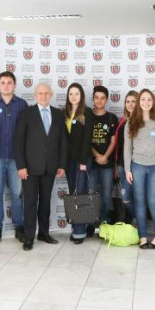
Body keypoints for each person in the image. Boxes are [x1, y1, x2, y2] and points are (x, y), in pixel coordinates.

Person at [15, 83, 67, 251]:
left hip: (50, 167)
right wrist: (21, 166)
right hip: (29, 168)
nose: (43, 96)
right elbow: (18, 143)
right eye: (40, 93)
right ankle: (29, 237)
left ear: (51, 95)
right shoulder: (26, 114)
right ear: (35, 95)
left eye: (46, 93)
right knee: (30, 202)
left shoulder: (59, 115)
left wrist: (62, 164)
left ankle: (44, 233)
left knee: (45, 202)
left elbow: (63, 142)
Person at [0, 71, 28, 244]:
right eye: (3, 82)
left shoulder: (22, 104)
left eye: (10, 82)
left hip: (17, 158)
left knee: (17, 194)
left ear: (15, 85)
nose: (6, 85)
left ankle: (19, 227)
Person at [124, 88, 155, 248]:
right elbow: (127, 148)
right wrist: (127, 170)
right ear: (138, 102)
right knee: (140, 202)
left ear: (153, 102)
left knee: (154, 201)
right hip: (137, 167)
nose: (146, 102)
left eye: (149, 99)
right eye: (143, 99)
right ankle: (142, 236)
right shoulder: (131, 122)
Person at [64, 83, 95, 244]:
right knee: (73, 194)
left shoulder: (87, 112)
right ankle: (76, 226)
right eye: (71, 94)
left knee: (81, 194)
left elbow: (87, 138)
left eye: (77, 94)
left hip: (82, 161)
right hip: (69, 161)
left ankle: (80, 232)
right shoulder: (65, 113)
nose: (74, 96)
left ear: (81, 96)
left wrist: (83, 162)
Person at [89, 85, 119, 226]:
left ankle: (105, 224)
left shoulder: (112, 117)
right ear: (93, 99)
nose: (99, 101)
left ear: (106, 100)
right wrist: (97, 156)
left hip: (107, 164)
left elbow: (113, 141)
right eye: (96, 98)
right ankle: (92, 224)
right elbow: (85, 140)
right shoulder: (87, 116)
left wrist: (104, 156)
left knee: (107, 196)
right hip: (91, 163)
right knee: (92, 194)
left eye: (102, 98)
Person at [115, 91, 138, 223]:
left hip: (136, 166)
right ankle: (134, 222)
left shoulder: (141, 121)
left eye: (133, 101)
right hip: (122, 165)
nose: (130, 104)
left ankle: (138, 220)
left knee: (133, 197)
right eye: (128, 101)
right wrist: (116, 165)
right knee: (126, 196)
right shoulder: (123, 120)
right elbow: (119, 145)